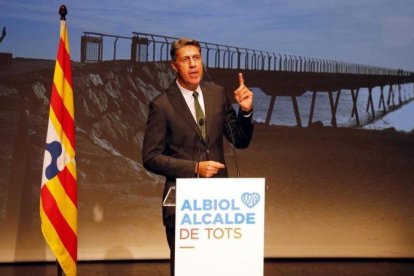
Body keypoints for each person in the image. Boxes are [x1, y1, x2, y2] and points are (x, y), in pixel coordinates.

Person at [142, 37, 254, 275]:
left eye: (196, 58)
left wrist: (245, 111)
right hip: (182, 203)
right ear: (174, 66)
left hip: (220, 204)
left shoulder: (217, 94)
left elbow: (240, 140)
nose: (193, 65)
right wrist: (195, 168)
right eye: (185, 59)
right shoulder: (161, 105)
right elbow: (151, 157)